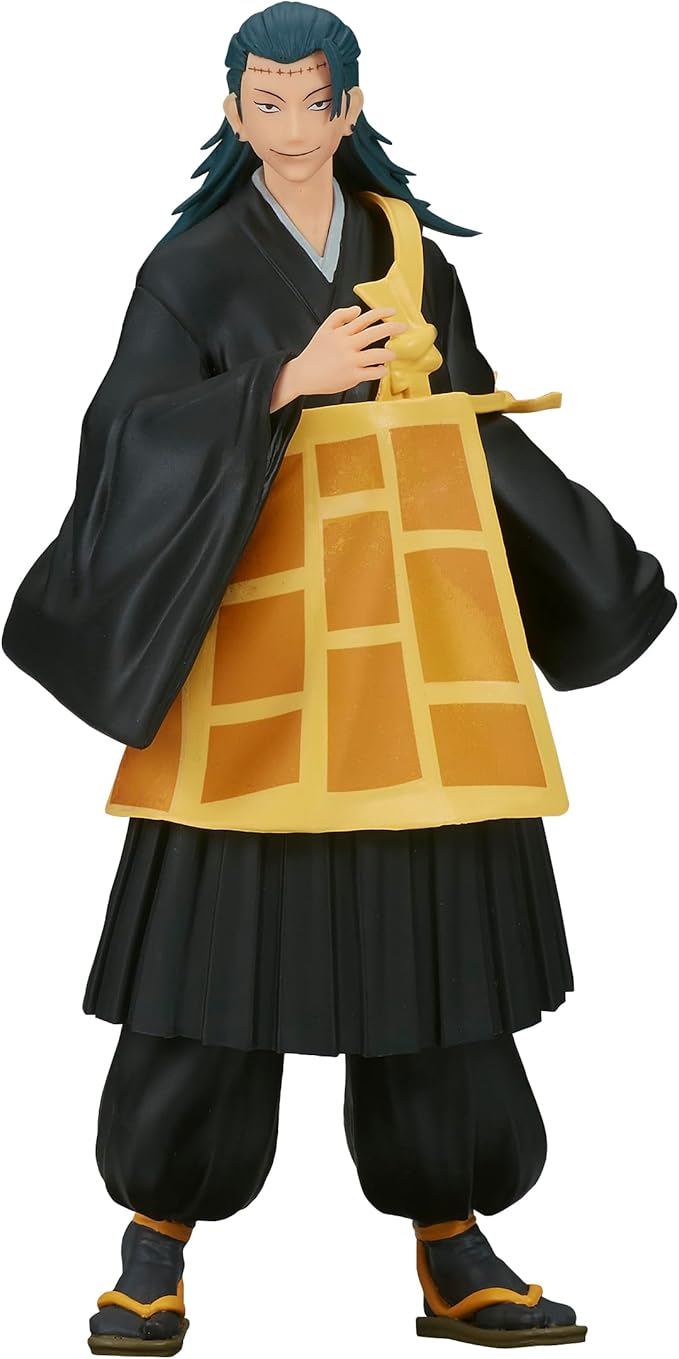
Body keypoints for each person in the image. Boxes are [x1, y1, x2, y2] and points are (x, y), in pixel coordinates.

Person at [2, 3, 675, 1353]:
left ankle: (452, 1245)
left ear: (352, 108)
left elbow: (470, 419)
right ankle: (154, 1244)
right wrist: (276, 383)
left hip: (416, 648)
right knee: (209, 962)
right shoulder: (193, 266)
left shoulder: (407, 253)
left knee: (439, 949)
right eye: (267, 101)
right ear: (234, 111)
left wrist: (588, 565)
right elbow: (124, 440)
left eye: (316, 100)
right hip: (257, 658)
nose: (294, 126)